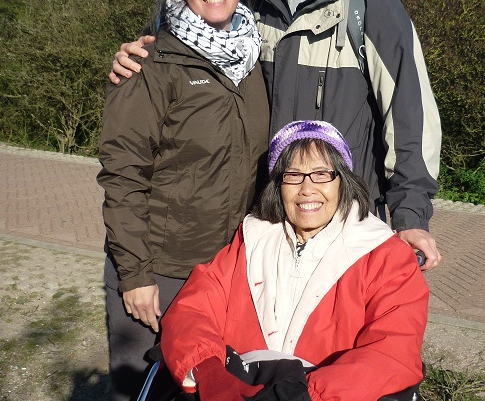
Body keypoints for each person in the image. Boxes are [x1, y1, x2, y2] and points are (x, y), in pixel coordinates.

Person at [110, 0, 443, 271]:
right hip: (266, 227)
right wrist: (136, 56)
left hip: (344, 227)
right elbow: (179, 47)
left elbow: (410, 114)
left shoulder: (369, 0)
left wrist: (411, 216)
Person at [97, 0, 270, 401]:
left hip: (227, 271)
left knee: (213, 389)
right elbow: (123, 176)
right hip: (162, 270)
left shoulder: (256, 61)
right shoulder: (149, 65)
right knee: (145, 391)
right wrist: (135, 275)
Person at [159, 120, 429, 401]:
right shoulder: (250, 240)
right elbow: (192, 310)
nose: (307, 188)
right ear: (278, 185)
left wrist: (303, 395)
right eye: (293, 175)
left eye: (321, 174)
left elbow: (393, 352)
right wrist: (210, 373)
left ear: (343, 181)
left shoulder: (387, 256)